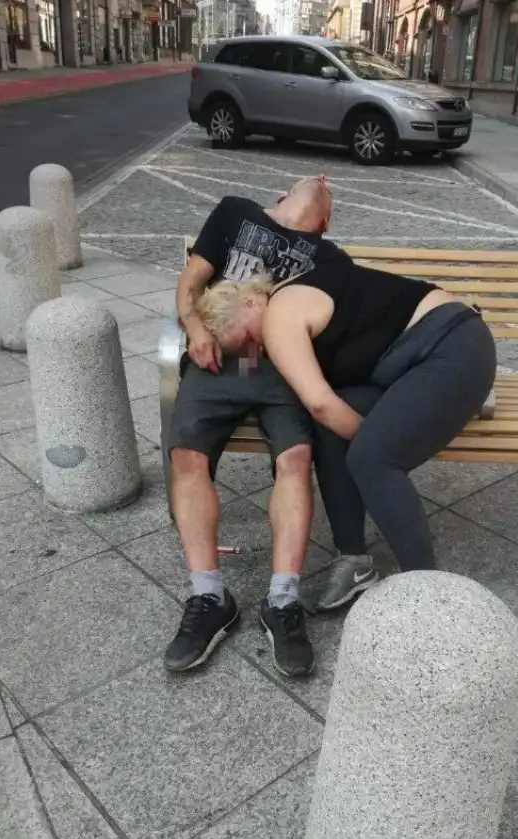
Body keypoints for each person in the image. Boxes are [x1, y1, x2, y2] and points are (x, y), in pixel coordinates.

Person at [192, 250, 497, 612]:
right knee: (331, 429)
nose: (253, 352)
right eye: (242, 351)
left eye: (246, 339)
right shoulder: (288, 297)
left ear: (249, 302)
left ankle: (429, 593)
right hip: (407, 366)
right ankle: (354, 561)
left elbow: (320, 402)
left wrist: (379, 444)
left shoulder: (278, 316)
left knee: (372, 458)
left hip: (452, 348)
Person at [164, 176, 335, 678]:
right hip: (216, 358)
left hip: (282, 366)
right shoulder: (234, 212)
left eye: (326, 192)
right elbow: (190, 283)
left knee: (296, 458)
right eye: (313, 182)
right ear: (280, 196)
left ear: (324, 223)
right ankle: (210, 597)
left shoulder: (326, 255)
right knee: (187, 456)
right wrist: (196, 328)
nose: (322, 179)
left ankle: (282, 601)